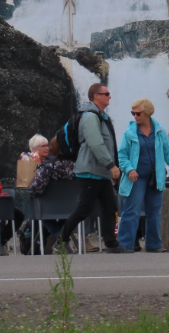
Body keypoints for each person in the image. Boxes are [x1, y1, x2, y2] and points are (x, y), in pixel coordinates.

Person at [57, 84, 126, 253]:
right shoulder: (90, 117)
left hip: (100, 172)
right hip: (89, 171)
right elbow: (96, 143)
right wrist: (111, 165)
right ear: (96, 96)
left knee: (110, 208)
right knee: (84, 209)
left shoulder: (101, 116)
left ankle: (111, 245)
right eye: (106, 94)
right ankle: (61, 241)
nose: (110, 96)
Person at [117, 98, 169, 253]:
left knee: (155, 211)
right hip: (135, 177)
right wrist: (129, 169)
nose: (135, 116)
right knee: (131, 211)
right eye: (133, 113)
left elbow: (168, 151)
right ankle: (124, 245)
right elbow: (122, 155)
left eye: (138, 113)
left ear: (147, 113)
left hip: (155, 176)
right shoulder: (129, 133)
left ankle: (154, 244)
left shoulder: (159, 131)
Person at [26, 145, 75, 254]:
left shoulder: (47, 167)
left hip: (48, 208)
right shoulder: (77, 166)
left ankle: (59, 236)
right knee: (69, 216)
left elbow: (36, 189)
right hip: (72, 207)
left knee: (39, 211)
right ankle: (62, 237)